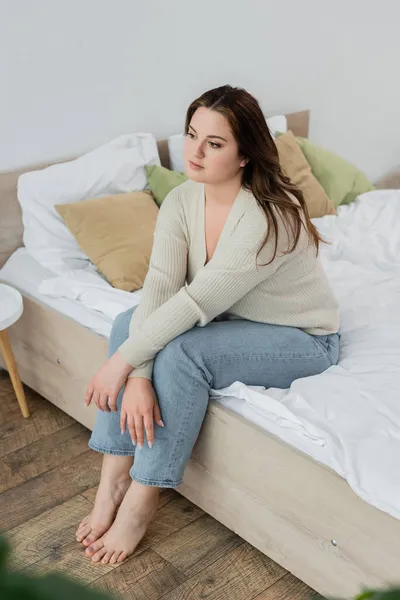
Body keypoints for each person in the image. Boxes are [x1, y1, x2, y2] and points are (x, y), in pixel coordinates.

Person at [75, 85, 340, 565]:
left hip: (303, 340)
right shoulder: (180, 200)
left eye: (214, 144)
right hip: (234, 321)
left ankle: (141, 498)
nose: (193, 152)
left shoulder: (268, 216)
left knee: (181, 353)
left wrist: (122, 364)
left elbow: (196, 301)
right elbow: (160, 286)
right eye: (192, 135)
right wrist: (135, 375)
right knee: (126, 322)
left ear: (244, 156)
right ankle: (113, 477)